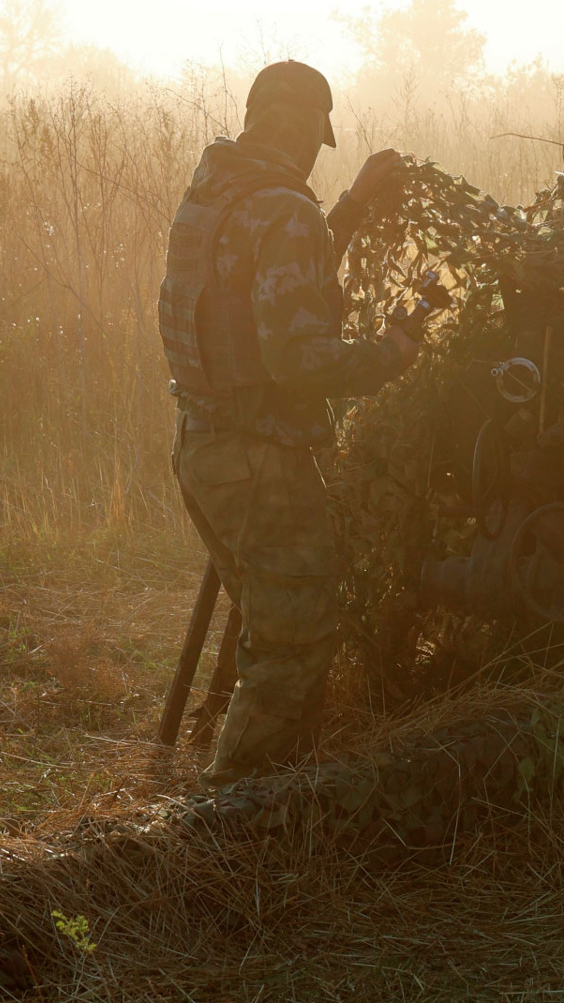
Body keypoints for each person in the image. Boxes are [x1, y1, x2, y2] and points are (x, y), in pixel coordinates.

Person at [158, 60, 416, 788]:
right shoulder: (285, 211)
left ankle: (253, 793)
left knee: (269, 623)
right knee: (294, 643)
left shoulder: (212, 195)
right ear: (306, 129)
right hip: (261, 461)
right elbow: (300, 360)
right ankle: (233, 826)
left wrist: (354, 206)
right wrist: (391, 353)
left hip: (202, 448)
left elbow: (270, 280)